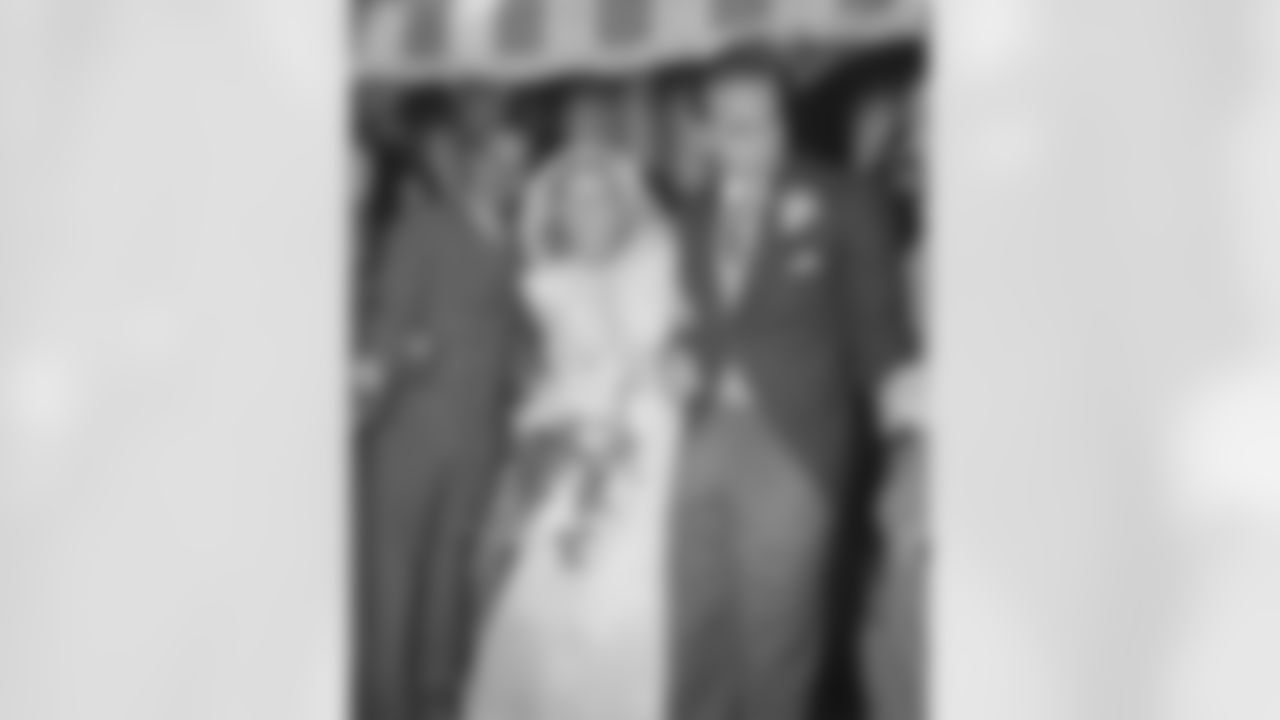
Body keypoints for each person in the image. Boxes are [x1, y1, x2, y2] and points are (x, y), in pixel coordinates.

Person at [670, 57, 916, 720]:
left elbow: (878, 330)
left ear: (784, 120)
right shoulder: (690, 214)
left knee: (776, 633)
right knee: (694, 626)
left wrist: (905, 439)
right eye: (730, 119)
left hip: (793, 442)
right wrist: (673, 358)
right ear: (704, 130)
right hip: (697, 436)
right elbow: (687, 319)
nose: (750, 132)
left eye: (764, 116)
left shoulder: (844, 198)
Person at [463, 145, 691, 720]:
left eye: (600, 197)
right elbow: (561, 372)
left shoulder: (661, 258)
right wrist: (557, 428)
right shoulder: (547, 281)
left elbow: (683, 343)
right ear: (558, 213)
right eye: (574, 201)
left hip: (653, 437)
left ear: (622, 202)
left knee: (634, 586)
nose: (589, 211)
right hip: (581, 439)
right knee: (561, 577)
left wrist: (674, 367)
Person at [357, 91, 531, 720]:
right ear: (470, 161)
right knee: (393, 584)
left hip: (480, 441)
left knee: (450, 584)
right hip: (412, 436)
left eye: (518, 162)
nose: (506, 173)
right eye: (495, 159)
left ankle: (439, 701)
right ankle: (385, 704)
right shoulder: (424, 226)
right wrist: (401, 353)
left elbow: (521, 343)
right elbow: (385, 324)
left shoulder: (522, 243)